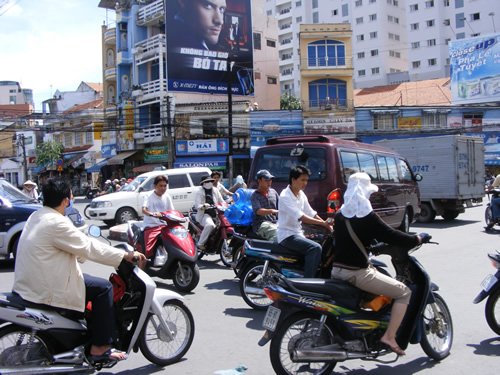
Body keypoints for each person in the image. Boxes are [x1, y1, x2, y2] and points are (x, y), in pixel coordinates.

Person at [13, 178, 145, 361]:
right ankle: (100, 347)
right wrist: (123, 256)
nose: (72, 199)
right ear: (66, 200)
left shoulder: (37, 216)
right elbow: (89, 248)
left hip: (32, 282)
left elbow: (79, 249)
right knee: (103, 288)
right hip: (46, 286)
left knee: (87, 279)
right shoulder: (56, 222)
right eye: (72, 196)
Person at [331, 172, 422, 356]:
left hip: (337, 271)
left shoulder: (340, 215)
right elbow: (391, 235)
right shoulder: (367, 216)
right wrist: (416, 239)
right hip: (357, 274)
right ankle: (389, 336)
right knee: (404, 292)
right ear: (364, 192)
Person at [278, 165, 333, 278]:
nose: (305, 183)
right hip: (287, 235)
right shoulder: (285, 196)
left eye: (306, 180)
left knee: (322, 243)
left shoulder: (301, 194)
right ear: (293, 179)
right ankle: (308, 283)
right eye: (302, 180)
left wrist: (326, 224)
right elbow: (301, 216)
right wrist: (323, 224)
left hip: (298, 233)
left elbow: (310, 212)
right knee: (315, 248)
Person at [141, 175, 175, 263]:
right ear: (155, 186)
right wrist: (152, 214)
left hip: (164, 226)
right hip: (151, 226)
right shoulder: (148, 196)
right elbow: (144, 209)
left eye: (165, 186)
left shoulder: (167, 197)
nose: (163, 188)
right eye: (160, 186)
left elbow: (172, 211)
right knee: (148, 252)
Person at [194, 174, 225, 250]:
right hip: (204, 214)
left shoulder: (215, 190)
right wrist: (203, 206)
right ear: (203, 183)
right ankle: (200, 243)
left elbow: (221, 201)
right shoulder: (199, 192)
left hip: (215, 213)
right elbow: (197, 205)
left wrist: (227, 205)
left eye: (210, 181)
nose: (209, 183)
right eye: (207, 182)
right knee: (210, 225)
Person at [251, 170, 279, 242]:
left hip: (275, 222)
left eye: (270, 180)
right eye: (266, 180)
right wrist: (272, 211)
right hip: (261, 224)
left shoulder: (273, 192)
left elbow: (281, 207)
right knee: (278, 235)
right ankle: (269, 252)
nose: (269, 182)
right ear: (259, 181)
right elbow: (258, 211)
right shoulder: (255, 195)